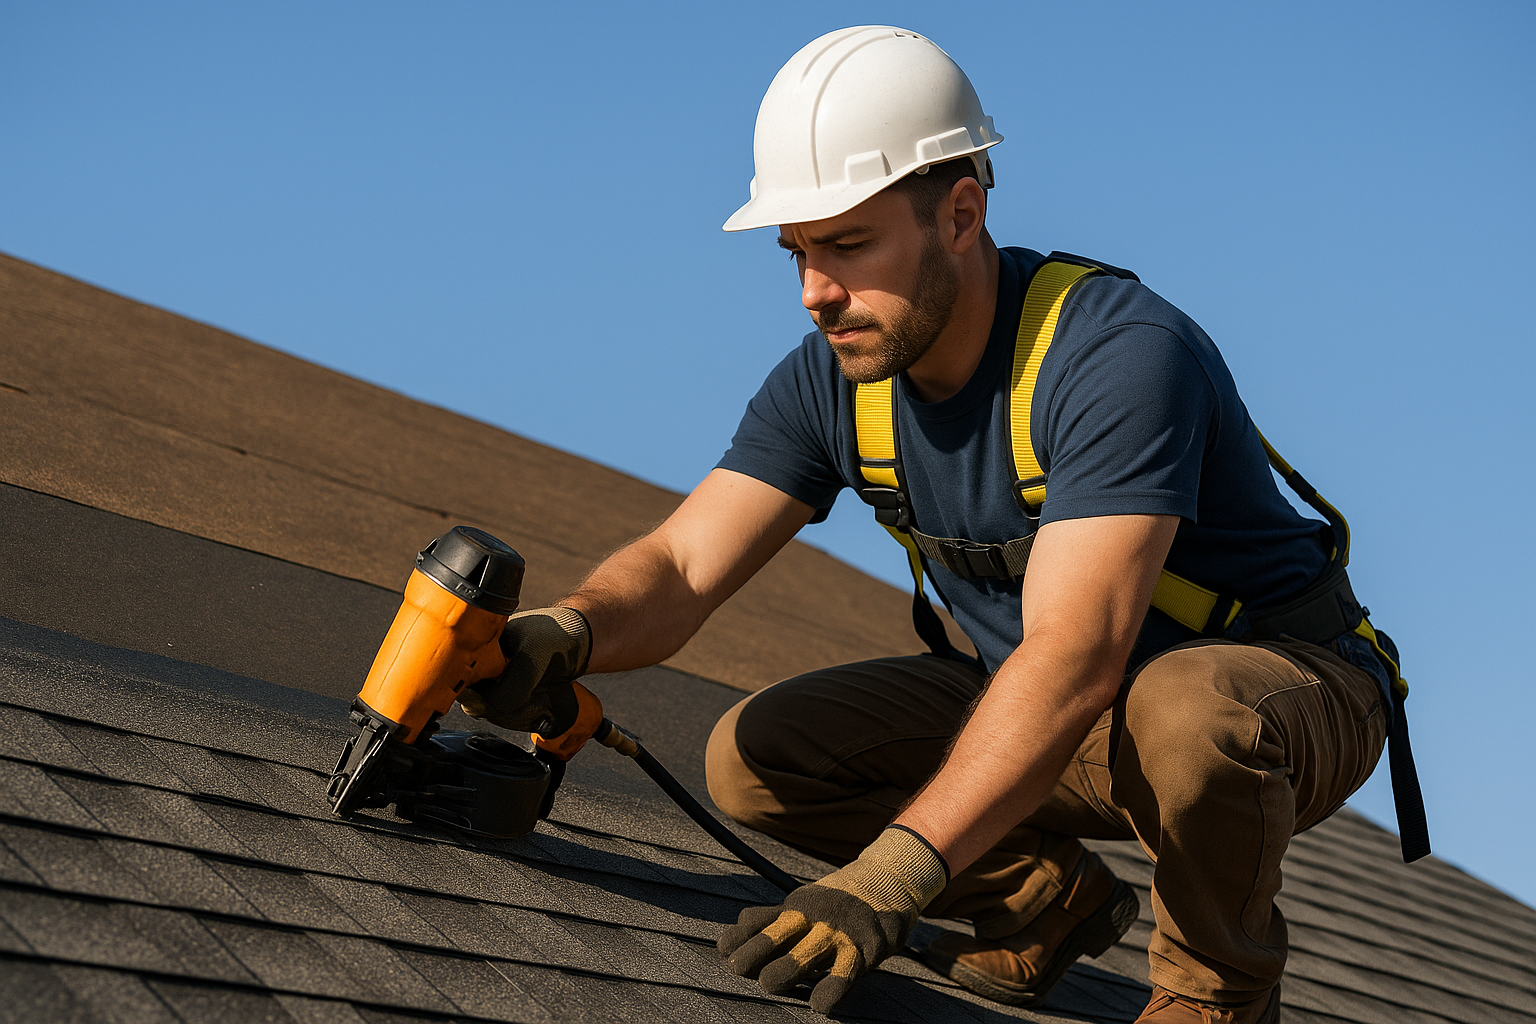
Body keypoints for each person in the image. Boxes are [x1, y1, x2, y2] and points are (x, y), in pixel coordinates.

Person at [459, 26, 1411, 1024]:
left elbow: (1078, 651)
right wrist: (566, 632)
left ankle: (1214, 996)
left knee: (1190, 709)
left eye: (850, 244)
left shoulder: (1117, 354)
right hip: (1068, 710)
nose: (816, 292)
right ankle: (1044, 902)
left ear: (961, 213)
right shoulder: (836, 380)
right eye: (798, 252)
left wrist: (889, 879)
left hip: (1279, 697)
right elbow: (685, 563)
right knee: (757, 754)